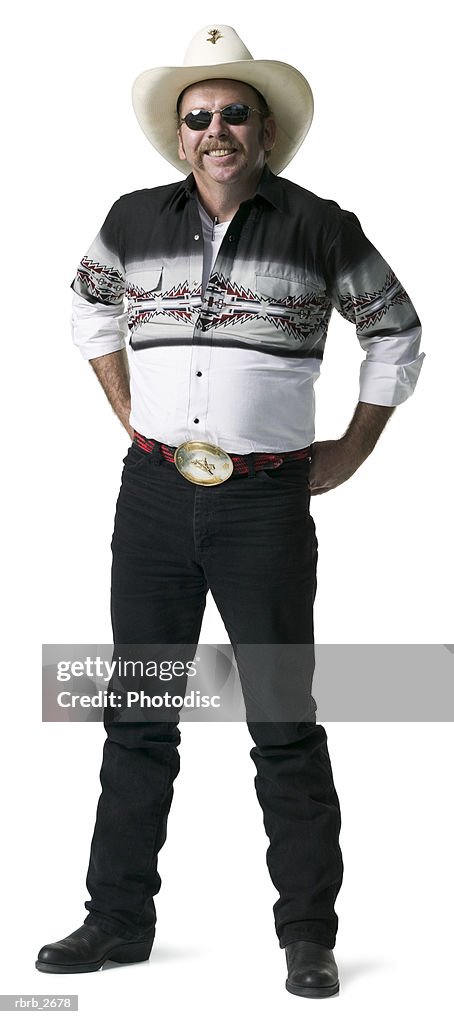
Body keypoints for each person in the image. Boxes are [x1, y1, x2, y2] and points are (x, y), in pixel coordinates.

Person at [35, 25, 424, 997]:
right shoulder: (131, 218)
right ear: (179, 138)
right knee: (138, 713)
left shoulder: (320, 224)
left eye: (233, 114)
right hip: (156, 496)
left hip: (264, 504)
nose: (215, 129)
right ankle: (116, 921)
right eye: (197, 117)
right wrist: (127, 411)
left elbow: (396, 331)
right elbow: (86, 306)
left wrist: (354, 445)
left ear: (264, 129)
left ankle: (306, 934)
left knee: (282, 716)